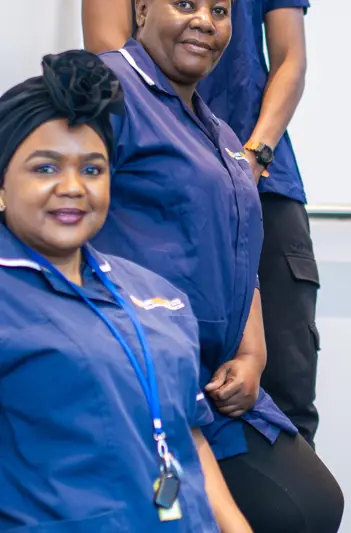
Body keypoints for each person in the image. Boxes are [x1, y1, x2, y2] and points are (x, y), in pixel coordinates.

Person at [82, 1, 343, 531]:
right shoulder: (105, 95)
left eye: (220, 11)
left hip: (211, 383)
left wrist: (251, 353)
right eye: (185, 4)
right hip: (136, 376)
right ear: (141, 10)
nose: (204, 20)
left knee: (310, 499)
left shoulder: (222, 136)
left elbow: (239, 253)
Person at [0, 49, 251, 532]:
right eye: (45, 168)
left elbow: (188, 436)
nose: (73, 187)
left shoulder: (160, 298)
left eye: (92, 169)